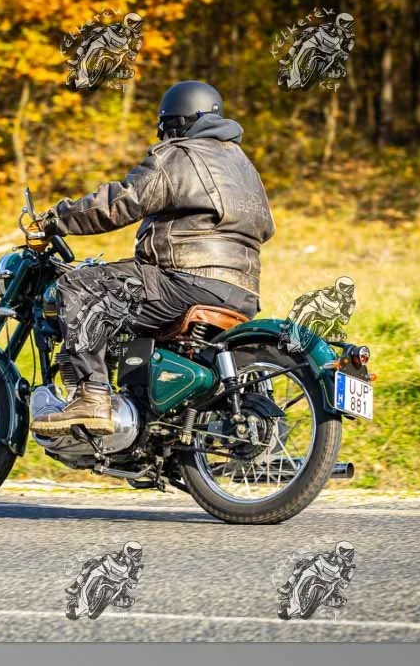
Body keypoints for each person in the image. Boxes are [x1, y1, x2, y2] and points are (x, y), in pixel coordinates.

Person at [29, 80, 274, 437]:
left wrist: (55, 219)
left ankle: (92, 396)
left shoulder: (179, 155)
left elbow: (120, 202)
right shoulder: (244, 166)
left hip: (185, 280)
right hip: (242, 290)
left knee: (79, 286)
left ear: (173, 123)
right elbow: (266, 227)